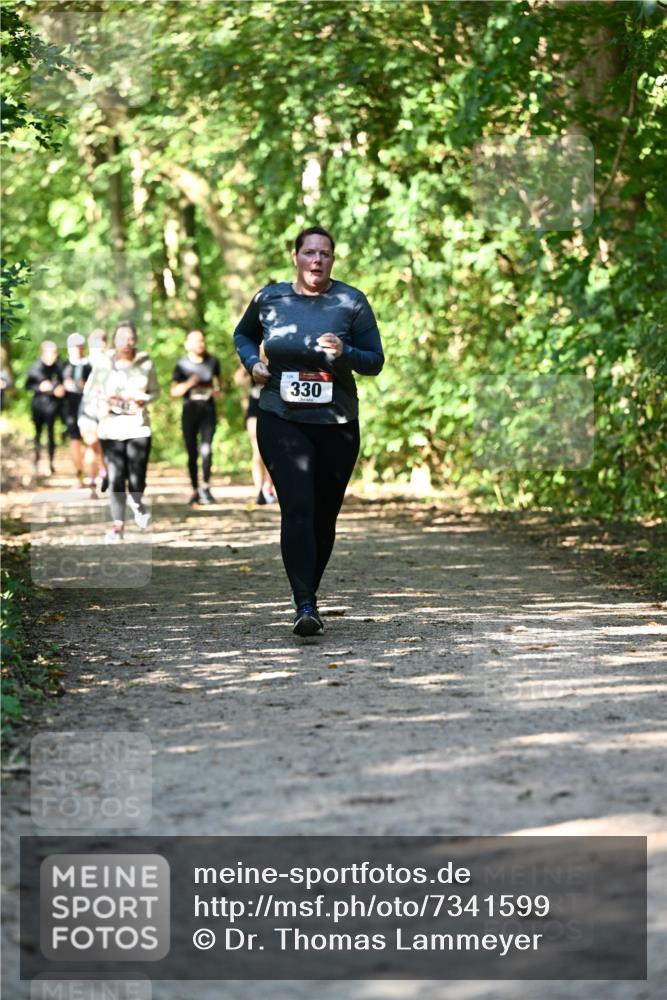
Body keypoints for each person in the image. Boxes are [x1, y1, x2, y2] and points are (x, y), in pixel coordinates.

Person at [234, 225, 384, 637]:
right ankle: (305, 603)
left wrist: (346, 352)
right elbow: (243, 334)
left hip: (337, 422)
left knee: (324, 515)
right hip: (281, 417)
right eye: (310, 253)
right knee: (297, 506)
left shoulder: (350, 301)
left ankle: (308, 596)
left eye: (325, 254)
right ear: (296, 256)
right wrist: (253, 363)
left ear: (332, 260)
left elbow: (375, 361)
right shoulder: (270, 298)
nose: (317, 260)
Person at [82, 321, 160, 543]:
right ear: (114, 341)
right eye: (121, 338)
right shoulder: (103, 363)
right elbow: (89, 392)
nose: (126, 343)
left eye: (130, 338)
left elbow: (155, 392)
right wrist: (103, 403)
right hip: (110, 427)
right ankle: (118, 525)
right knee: (116, 477)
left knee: (137, 476)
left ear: (136, 340)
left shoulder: (145, 363)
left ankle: (137, 501)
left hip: (138, 427)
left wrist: (141, 399)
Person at [170, 329, 223, 505]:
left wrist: (216, 391)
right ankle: (194, 490)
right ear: (187, 344)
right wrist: (188, 384)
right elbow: (174, 391)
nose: (200, 344)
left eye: (202, 340)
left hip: (208, 411)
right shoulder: (181, 364)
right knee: (192, 452)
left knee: (206, 449)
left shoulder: (212, 362)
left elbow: (220, 385)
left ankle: (206, 487)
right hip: (189, 411)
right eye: (195, 341)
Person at [233, 363, 276, 505]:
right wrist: (245, 365)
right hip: (254, 412)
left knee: (271, 452)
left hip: (273, 411)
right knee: (257, 450)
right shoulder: (253, 360)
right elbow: (238, 380)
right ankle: (259, 490)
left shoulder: (277, 358)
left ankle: (268, 486)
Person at [25, 340, 65, 476]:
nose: (53, 356)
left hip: (53, 406)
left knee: (51, 434)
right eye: (50, 353)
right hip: (38, 406)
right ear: (43, 353)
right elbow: (28, 386)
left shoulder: (59, 367)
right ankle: (36, 460)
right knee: (38, 434)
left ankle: (51, 463)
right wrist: (40, 388)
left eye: (54, 353)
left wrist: (59, 390)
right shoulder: (35, 367)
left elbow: (63, 384)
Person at [77, 328, 109, 493]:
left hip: (104, 409)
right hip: (90, 409)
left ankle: (100, 475)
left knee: (97, 446)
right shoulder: (85, 364)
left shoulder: (111, 362)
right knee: (92, 444)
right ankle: (94, 479)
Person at [61, 332, 93, 491]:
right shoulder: (63, 365)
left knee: (91, 441)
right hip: (70, 409)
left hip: (88, 408)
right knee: (74, 441)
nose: (77, 350)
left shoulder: (89, 366)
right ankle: (79, 475)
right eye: (74, 347)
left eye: (80, 346)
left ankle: (93, 474)